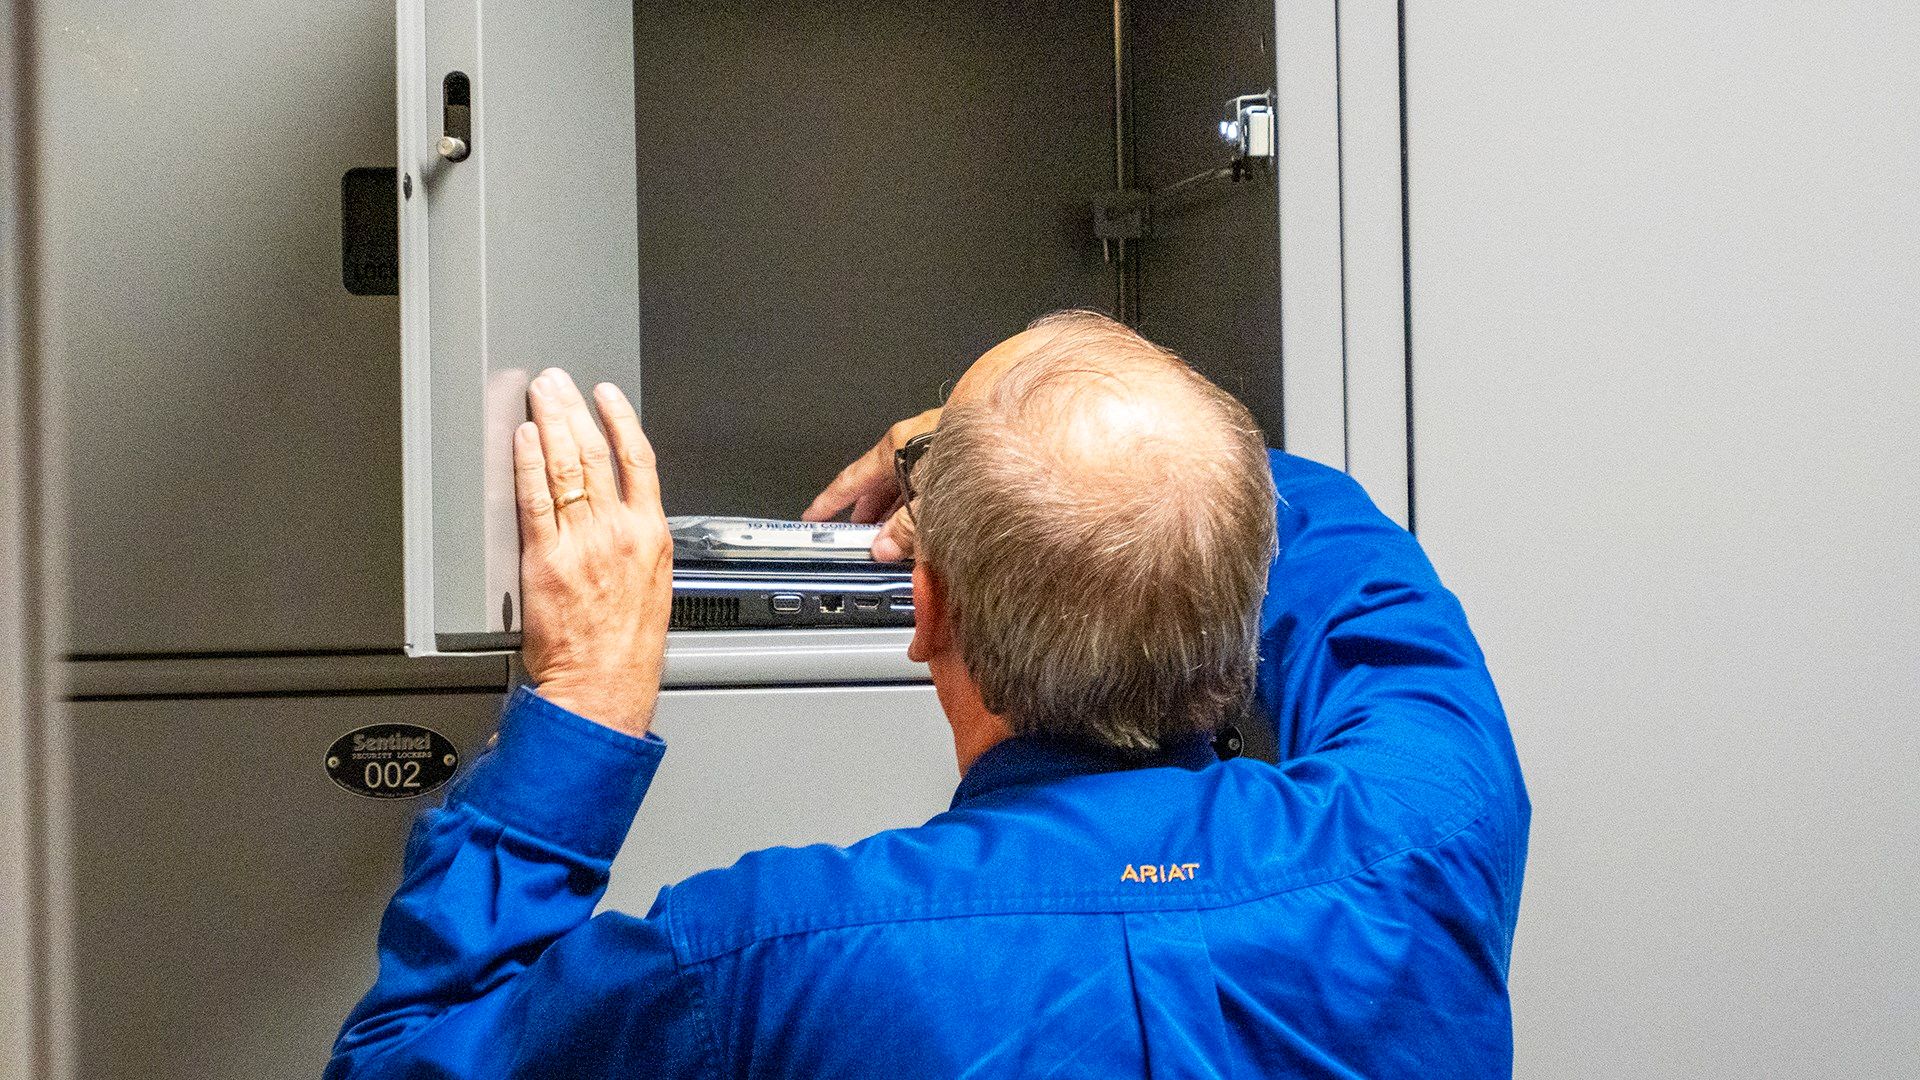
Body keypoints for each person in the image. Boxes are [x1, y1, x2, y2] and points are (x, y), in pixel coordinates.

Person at [328, 311, 1529, 1078]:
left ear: (930, 607)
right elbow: (1350, 558)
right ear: (1242, 580)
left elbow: (405, 1063)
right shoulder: (1424, 841)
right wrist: (1067, 443)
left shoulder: (767, 964)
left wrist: (583, 704)